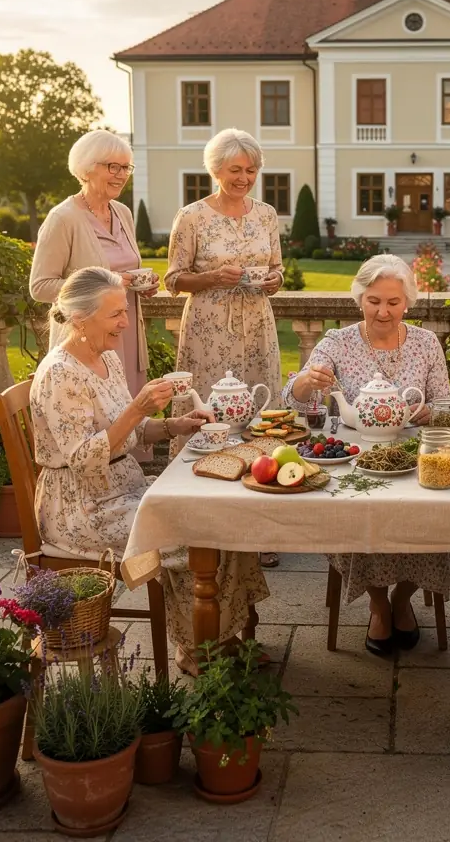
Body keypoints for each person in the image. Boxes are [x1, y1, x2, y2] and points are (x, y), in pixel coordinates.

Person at [30, 266, 269, 674]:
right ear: (79, 318)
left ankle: (222, 635)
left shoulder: (107, 358)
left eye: (124, 311)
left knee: (223, 515)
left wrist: (176, 424)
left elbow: (136, 433)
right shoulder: (59, 375)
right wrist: (137, 408)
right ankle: (196, 649)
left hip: (125, 489)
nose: (126, 322)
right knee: (189, 535)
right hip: (82, 508)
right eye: (115, 314)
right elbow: (85, 459)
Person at [282, 254, 450, 657]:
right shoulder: (337, 342)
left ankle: (402, 597)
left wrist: (433, 411)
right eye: (374, 300)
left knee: (444, 516)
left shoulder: (426, 343)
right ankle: (377, 601)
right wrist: (307, 380)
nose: (384, 311)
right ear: (360, 299)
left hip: (414, 455)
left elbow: (447, 404)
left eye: (393, 302)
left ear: (407, 302)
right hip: (354, 457)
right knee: (352, 517)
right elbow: (292, 399)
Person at [164, 128, 283, 568]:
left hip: (257, 325)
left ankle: (262, 524)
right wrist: (214, 278)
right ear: (215, 170)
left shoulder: (267, 214)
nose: (244, 178)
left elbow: (277, 270)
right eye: (236, 170)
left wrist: (273, 281)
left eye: (251, 170)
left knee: (260, 417)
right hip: (209, 329)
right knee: (209, 415)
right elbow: (173, 279)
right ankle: (199, 519)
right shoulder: (192, 216)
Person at [30, 129, 157, 401]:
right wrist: (104, 286)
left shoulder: (122, 212)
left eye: (126, 167)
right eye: (113, 166)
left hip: (127, 333)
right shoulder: (63, 218)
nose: (122, 174)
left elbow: (123, 274)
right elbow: (40, 287)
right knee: (98, 420)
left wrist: (138, 285)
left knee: (132, 414)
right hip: (85, 342)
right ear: (86, 168)